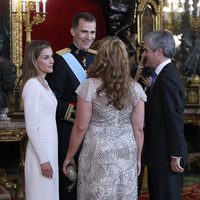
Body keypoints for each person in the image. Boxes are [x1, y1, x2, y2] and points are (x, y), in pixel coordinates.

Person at [62, 36, 147, 199]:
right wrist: (137, 157)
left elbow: (80, 126)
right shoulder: (136, 89)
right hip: (125, 148)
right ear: (124, 59)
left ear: (101, 57)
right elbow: (138, 129)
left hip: (97, 148)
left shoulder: (90, 86)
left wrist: (69, 156)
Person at [46, 12, 97, 200]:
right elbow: (53, 101)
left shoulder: (98, 57)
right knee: (70, 185)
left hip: (94, 133)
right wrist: (80, 115)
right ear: (72, 31)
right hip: (70, 131)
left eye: (92, 32)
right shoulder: (60, 59)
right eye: (84, 31)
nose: (89, 37)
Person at [142, 30, 188, 200]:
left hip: (167, 158)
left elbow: (174, 117)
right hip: (160, 156)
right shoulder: (163, 74)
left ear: (159, 52)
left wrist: (175, 154)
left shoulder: (167, 76)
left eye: (146, 50)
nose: (144, 54)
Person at [21, 40, 59, 200]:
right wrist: (43, 160)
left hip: (49, 150)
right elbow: (31, 126)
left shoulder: (44, 83)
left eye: (51, 56)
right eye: (46, 57)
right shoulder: (32, 85)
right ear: (34, 60)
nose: (52, 61)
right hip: (40, 154)